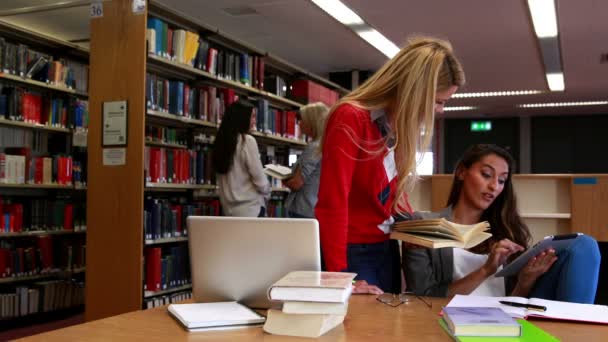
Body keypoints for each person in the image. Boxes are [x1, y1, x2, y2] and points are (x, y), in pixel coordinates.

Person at [315, 36, 465, 294]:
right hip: (352, 251)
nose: (440, 110)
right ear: (415, 91)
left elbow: (390, 196)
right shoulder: (351, 117)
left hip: (385, 247)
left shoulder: (397, 126)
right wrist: (340, 279)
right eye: (439, 101)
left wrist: (423, 228)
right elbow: (333, 202)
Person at [403, 144, 601, 303]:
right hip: (450, 320)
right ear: (462, 172)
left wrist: (525, 281)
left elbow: (512, 302)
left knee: (583, 245)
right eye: (486, 175)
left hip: (506, 320)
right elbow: (423, 298)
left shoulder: (505, 231)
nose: (493, 186)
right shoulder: (423, 225)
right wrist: (485, 270)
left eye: (502, 180)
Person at [213, 99, 270, 217]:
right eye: (252, 117)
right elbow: (260, 180)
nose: (255, 121)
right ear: (242, 118)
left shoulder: (220, 143)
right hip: (250, 211)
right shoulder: (247, 141)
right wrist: (268, 191)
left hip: (228, 211)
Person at [284, 102, 330, 218]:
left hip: (303, 209)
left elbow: (296, 183)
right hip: (313, 207)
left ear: (312, 122)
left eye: (303, 120)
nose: (299, 123)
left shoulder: (314, 147)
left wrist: (284, 178)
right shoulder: (325, 144)